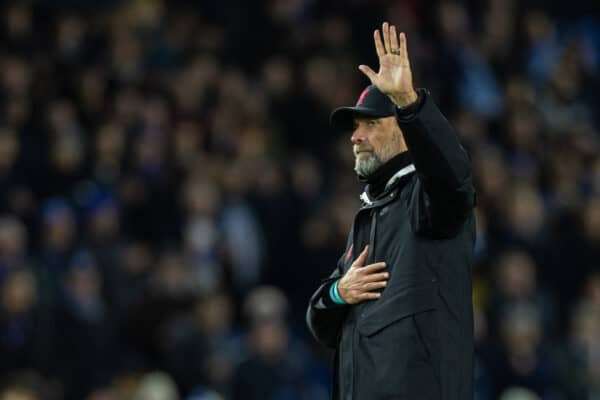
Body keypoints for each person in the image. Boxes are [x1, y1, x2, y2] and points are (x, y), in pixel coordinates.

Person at [306, 22, 477, 399]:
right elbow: (321, 324)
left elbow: (455, 181)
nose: (355, 136)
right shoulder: (371, 212)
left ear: (403, 131)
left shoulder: (426, 198)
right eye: (354, 126)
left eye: (370, 124)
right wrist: (338, 292)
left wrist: (410, 105)